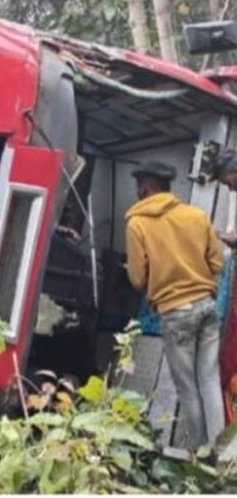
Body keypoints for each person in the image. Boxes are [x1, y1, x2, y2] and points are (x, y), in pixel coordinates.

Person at [125, 161, 225, 450]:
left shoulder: (137, 224)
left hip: (175, 312)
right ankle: (222, 454)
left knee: (187, 388)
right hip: (207, 307)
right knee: (209, 378)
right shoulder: (197, 215)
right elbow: (217, 262)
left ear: (145, 187)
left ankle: (199, 452)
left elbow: (135, 278)